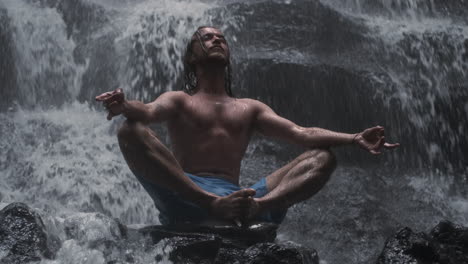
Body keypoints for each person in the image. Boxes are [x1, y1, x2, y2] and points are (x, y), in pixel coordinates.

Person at [95, 26, 399, 226]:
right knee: (130, 130)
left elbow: (301, 133)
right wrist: (124, 106)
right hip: (186, 196)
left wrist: (355, 137)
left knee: (323, 157)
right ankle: (211, 204)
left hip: (241, 201)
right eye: (209, 37)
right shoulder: (179, 101)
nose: (218, 40)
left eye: (222, 39)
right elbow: (146, 112)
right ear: (192, 55)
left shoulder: (249, 108)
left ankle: (260, 207)